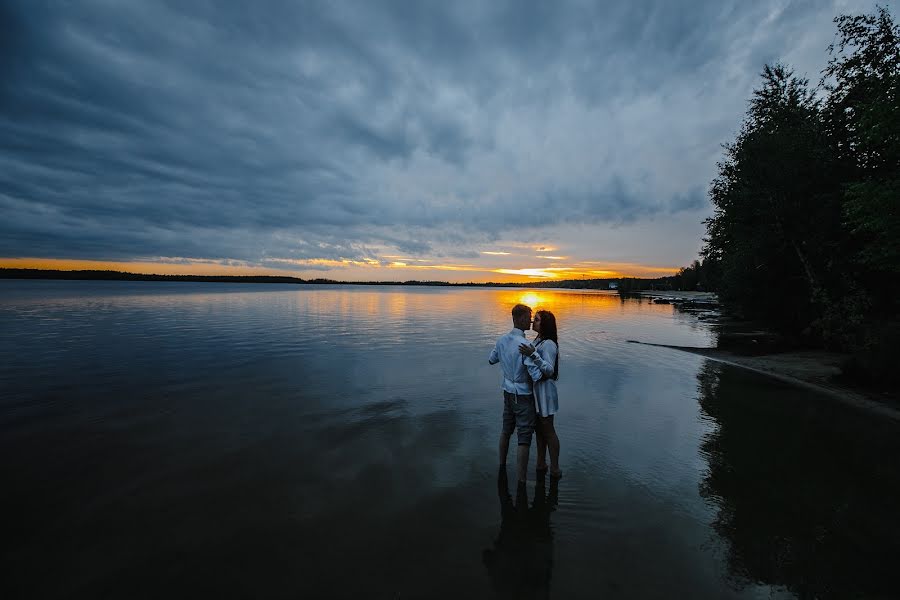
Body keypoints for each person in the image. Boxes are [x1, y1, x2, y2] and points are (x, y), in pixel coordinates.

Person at [489, 304, 536, 483]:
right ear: (517, 319)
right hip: (523, 394)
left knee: (506, 430)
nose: (530, 320)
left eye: (531, 317)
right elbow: (535, 373)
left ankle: (502, 466)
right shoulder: (526, 345)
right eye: (527, 317)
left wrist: (503, 354)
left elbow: (491, 359)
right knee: (524, 437)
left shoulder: (501, 340)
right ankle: (522, 481)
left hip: (507, 392)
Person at [519, 310, 562, 478]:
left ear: (544, 324)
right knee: (539, 430)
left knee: (549, 431)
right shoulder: (538, 340)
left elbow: (550, 370)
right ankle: (541, 463)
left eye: (536, 320)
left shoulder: (549, 344)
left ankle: (555, 468)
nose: (532, 322)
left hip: (545, 392)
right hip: (536, 391)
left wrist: (533, 355)